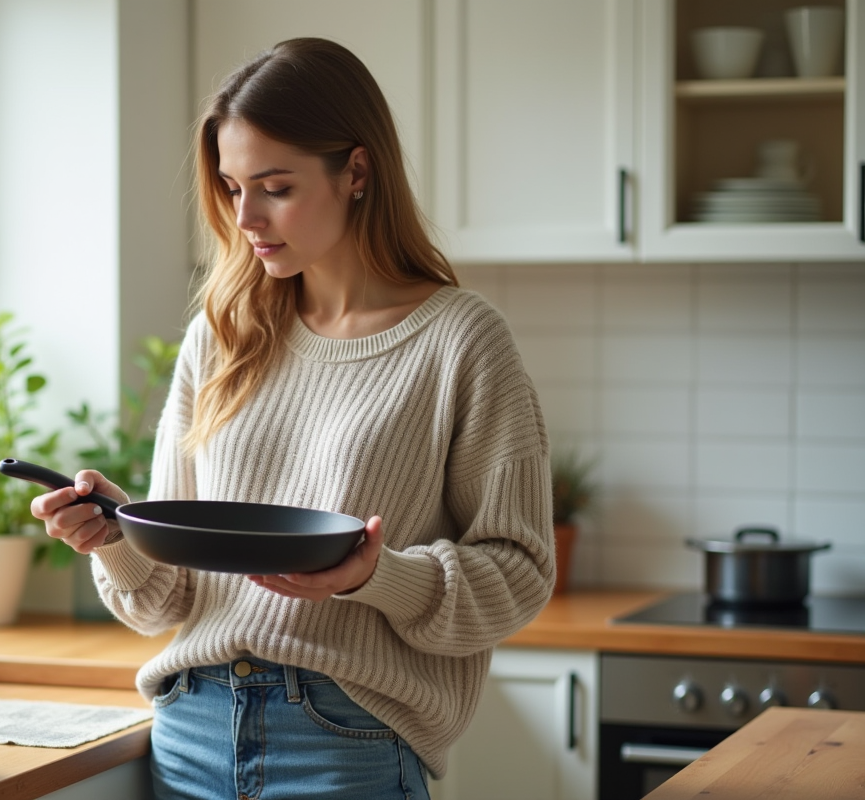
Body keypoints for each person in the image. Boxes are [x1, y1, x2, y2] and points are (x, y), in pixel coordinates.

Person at [31, 37, 554, 800]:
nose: (245, 217)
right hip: (191, 729)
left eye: (275, 187)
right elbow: (165, 603)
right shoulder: (222, 334)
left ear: (357, 172)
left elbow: (520, 573)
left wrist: (378, 576)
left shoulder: (461, 341)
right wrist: (118, 536)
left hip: (346, 741)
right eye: (232, 187)